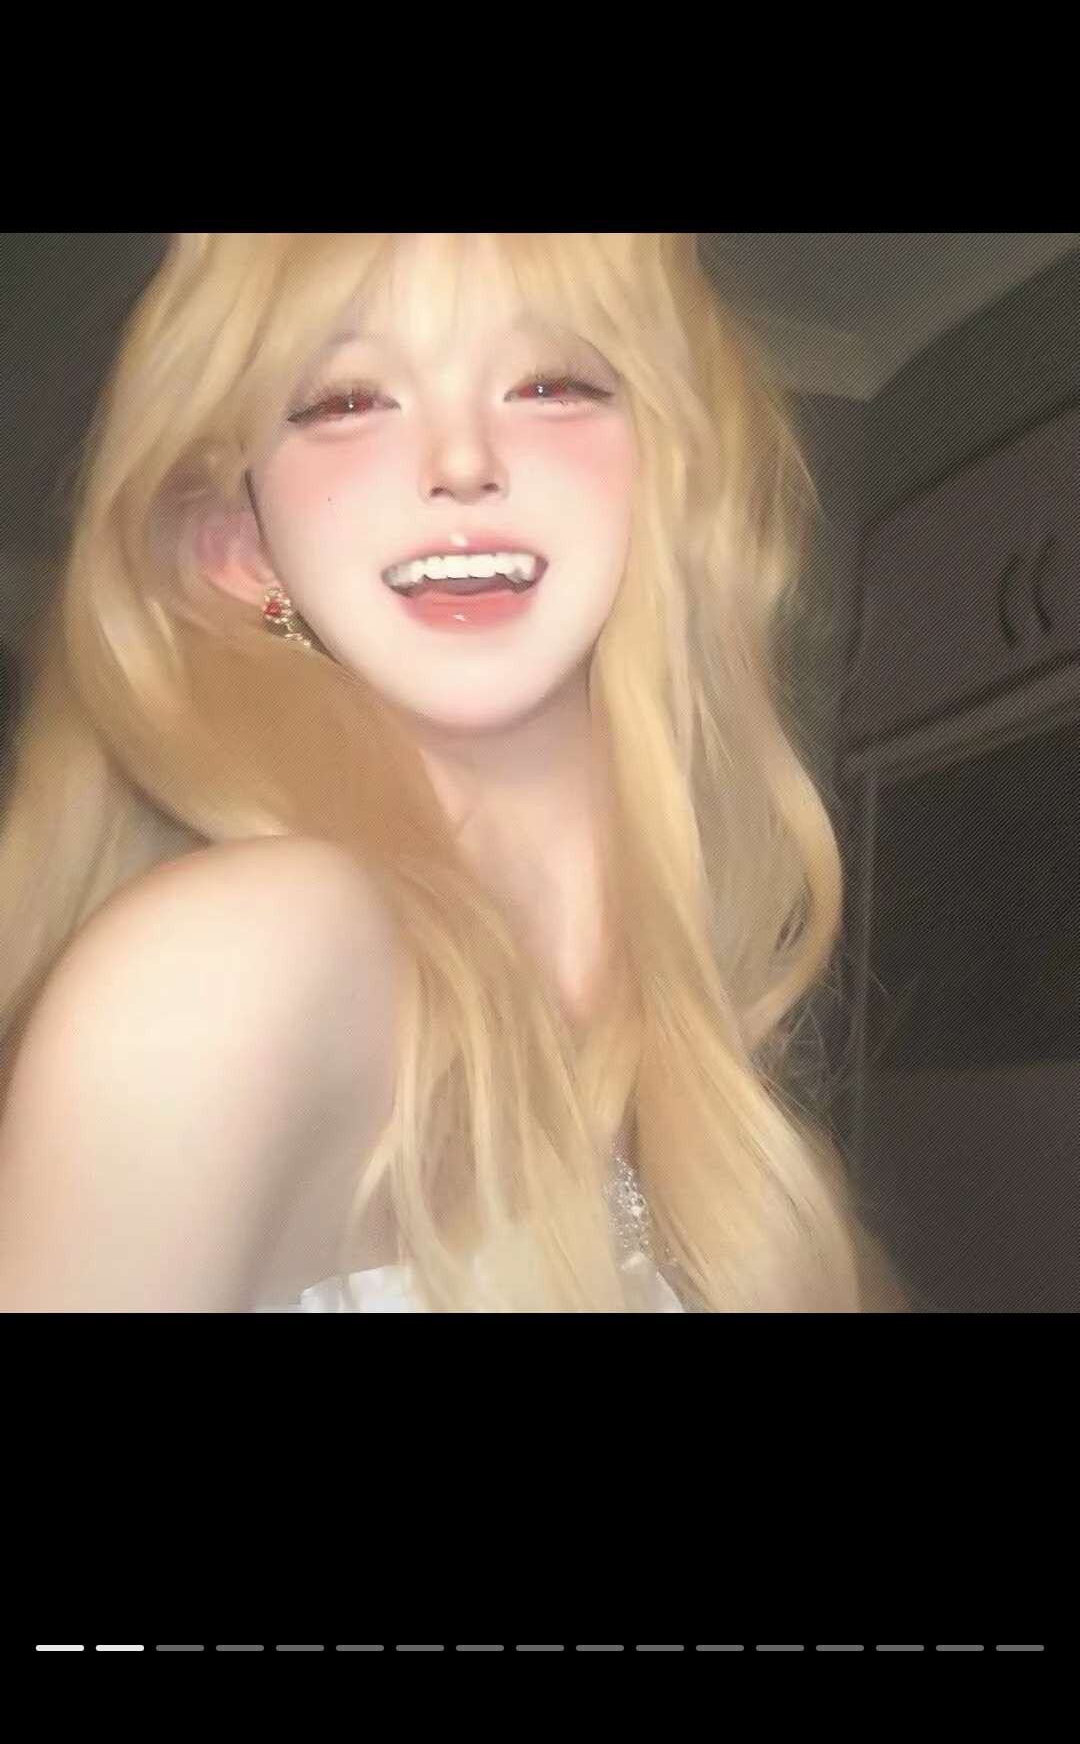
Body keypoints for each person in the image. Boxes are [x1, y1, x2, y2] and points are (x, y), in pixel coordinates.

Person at [0, 232, 910, 1312]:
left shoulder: (678, 1042)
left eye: (550, 383)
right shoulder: (230, 969)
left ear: (672, 478)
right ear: (236, 543)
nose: (462, 460)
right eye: (346, 401)